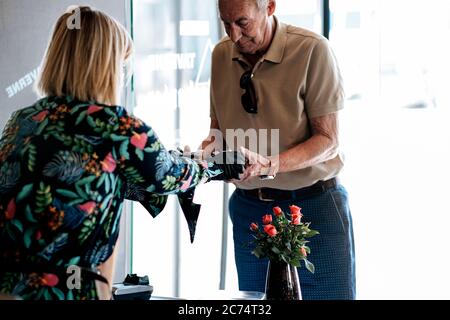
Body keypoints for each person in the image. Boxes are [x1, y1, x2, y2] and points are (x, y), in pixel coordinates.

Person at [0, 6, 242, 300]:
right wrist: (220, 165)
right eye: (121, 64)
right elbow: (169, 175)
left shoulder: (22, 121)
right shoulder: (117, 127)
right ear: (105, 65)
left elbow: (81, 182)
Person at [202, 0, 356, 299]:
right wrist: (205, 156)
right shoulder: (221, 54)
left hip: (313, 206)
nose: (234, 35)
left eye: (242, 23)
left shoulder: (312, 49)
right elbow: (216, 131)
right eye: (225, 23)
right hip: (249, 209)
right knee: (257, 302)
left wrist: (268, 164)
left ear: (269, 7)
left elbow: (328, 140)